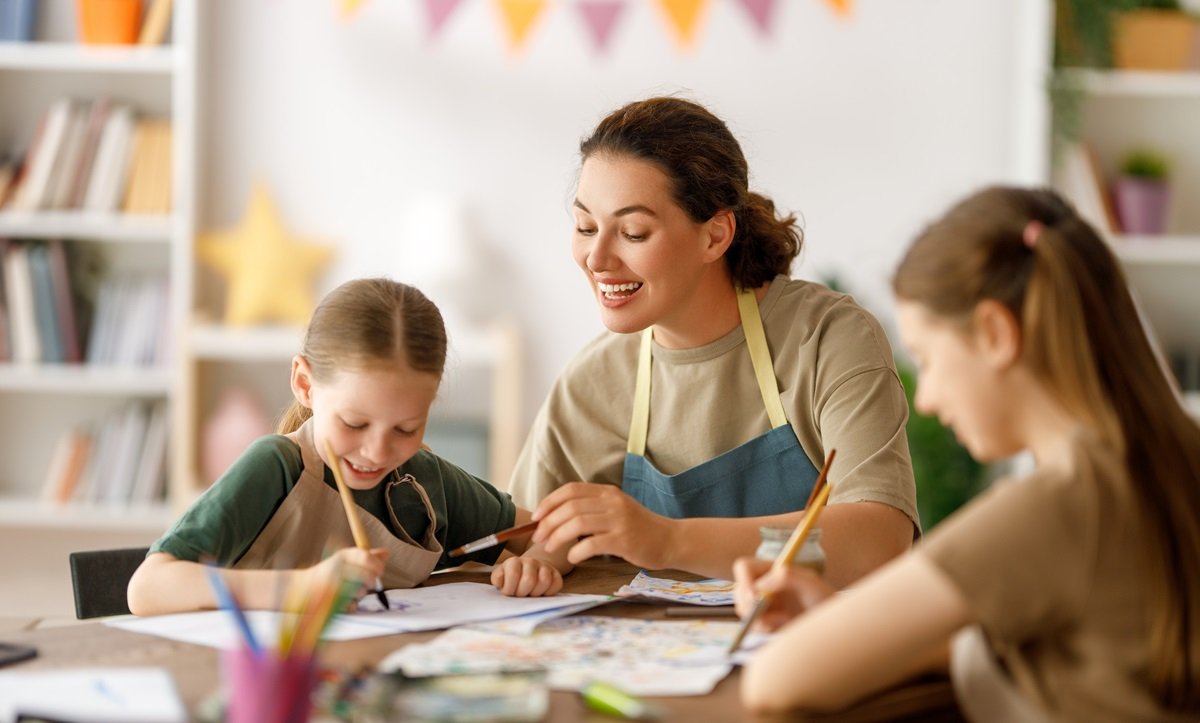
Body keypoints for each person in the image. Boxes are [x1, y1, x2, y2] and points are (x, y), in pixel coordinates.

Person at [732, 186, 1200, 720]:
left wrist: (832, 629)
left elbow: (777, 680)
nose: (926, 399)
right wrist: (843, 616)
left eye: (929, 358)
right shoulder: (1172, 459)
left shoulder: (1053, 508)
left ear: (996, 333)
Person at [515, 96, 919, 586]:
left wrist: (667, 540)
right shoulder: (592, 382)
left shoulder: (826, 339)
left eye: (634, 232)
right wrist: (536, 559)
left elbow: (878, 539)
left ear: (715, 236)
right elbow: (527, 535)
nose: (596, 258)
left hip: (802, 650)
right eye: (585, 227)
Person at [128, 278, 568, 616]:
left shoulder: (425, 479)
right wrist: (299, 589)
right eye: (354, 423)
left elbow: (556, 534)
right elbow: (146, 588)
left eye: (406, 427)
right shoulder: (276, 467)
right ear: (305, 384)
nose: (377, 451)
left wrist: (538, 563)